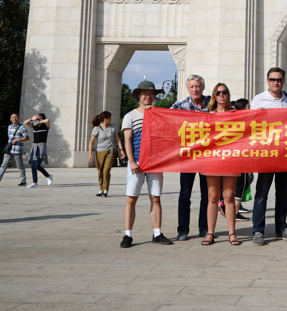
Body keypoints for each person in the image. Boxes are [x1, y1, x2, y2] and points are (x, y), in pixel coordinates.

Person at [120, 80, 173, 248]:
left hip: (155, 162)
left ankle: (157, 232)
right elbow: (127, 139)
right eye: (144, 93)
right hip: (137, 162)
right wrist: (131, 161)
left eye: (151, 94)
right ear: (138, 96)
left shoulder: (159, 114)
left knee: (155, 198)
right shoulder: (130, 116)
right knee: (131, 198)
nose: (148, 96)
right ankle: (127, 234)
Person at [249, 67, 287, 246]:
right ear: (267, 81)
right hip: (266, 153)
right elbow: (250, 124)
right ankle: (258, 230)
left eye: (279, 79)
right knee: (262, 193)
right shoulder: (258, 99)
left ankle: (281, 228)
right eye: (272, 79)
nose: (276, 82)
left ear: (283, 81)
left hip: (285, 153)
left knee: (283, 194)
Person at [171, 74, 210, 241]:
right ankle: (183, 230)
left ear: (203, 87)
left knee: (207, 195)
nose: (195, 89)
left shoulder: (211, 103)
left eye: (198, 86)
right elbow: (165, 119)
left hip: (208, 156)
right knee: (185, 194)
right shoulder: (180, 104)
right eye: (192, 86)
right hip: (187, 156)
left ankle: (205, 228)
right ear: (188, 88)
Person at [202, 82, 241, 245]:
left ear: (228, 95)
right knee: (212, 197)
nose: (221, 95)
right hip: (212, 158)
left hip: (231, 158)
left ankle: (232, 233)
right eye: (218, 93)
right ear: (214, 96)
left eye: (224, 92)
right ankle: (210, 233)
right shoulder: (208, 115)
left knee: (229, 196)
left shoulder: (236, 114)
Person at [0, 113, 29, 187]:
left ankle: (23, 181)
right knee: (3, 165)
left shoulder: (22, 127)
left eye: (16, 117)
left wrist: (17, 139)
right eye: (13, 117)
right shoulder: (9, 127)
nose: (14, 119)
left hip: (17, 150)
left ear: (18, 118)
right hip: (9, 150)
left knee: (20, 166)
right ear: (10, 118)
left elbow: (27, 137)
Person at [88, 110, 124, 197]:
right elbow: (91, 142)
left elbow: (118, 139)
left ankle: (105, 189)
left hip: (110, 151)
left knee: (106, 170)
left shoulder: (113, 128)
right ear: (105, 119)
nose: (110, 119)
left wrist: (121, 149)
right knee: (100, 171)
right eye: (109, 118)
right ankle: (101, 189)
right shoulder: (96, 129)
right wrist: (90, 154)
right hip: (99, 152)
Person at [232, 98, 253, 220]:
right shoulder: (243, 121)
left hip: (240, 158)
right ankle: (234, 212)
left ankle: (234, 210)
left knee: (241, 184)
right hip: (240, 159)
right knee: (241, 185)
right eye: (248, 107)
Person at [24, 113, 53, 188]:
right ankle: (35, 183)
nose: (37, 120)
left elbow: (48, 120)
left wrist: (39, 121)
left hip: (41, 146)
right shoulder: (34, 126)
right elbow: (25, 123)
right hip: (34, 146)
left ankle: (49, 176)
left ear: (42, 119)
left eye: (39, 118)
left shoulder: (45, 126)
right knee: (33, 165)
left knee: (37, 165)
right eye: (36, 119)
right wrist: (31, 119)